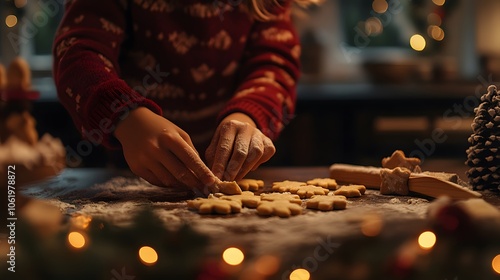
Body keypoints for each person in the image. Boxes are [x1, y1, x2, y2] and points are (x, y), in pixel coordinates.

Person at [53, 0, 312, 193]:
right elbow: (78, 55)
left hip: (238, 177)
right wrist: (125, 117)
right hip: (130, 178)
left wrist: (248, 114)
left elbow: (274, 65)